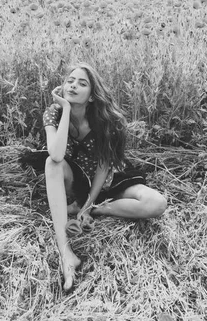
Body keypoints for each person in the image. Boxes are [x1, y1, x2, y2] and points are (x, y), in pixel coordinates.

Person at [42, 62, 167, 291]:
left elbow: (103, 168)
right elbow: (57, 154)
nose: (73, 86)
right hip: (77, 178)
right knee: (52, 163)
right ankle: (66, 253)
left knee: (157, 202)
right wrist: (66, 110)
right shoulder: (54, 112)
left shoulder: (105, 121)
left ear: (91, 95)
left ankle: (96, 208)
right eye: (70, 81)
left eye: (82, 83)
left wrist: (89, 207)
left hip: (109, 178)